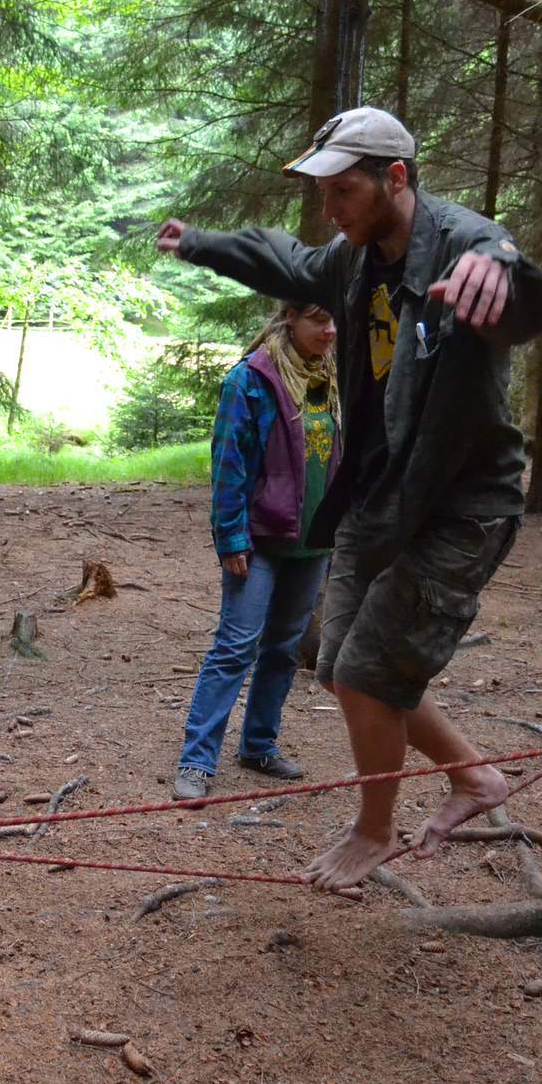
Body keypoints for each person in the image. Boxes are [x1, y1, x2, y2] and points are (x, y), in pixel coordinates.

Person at [157, 106, 542, 891]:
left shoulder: (465, 245)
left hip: (460, 506)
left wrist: (505, 266)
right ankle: (474, 777)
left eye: (343, 192)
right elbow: (287, 260)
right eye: (325, 196)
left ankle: (374, 829)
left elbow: (523, 298)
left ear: (395, 177)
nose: (331, 212)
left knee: (372, 670)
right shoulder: (353, 260)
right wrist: (200, 244)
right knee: (341, 664)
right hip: (378, 497)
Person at [173, 301, 341, 800]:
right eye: (319, 319)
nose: (330, 330)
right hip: (260, 539)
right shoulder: (250, 379)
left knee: (284, 648)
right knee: (235, 646)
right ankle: (197, 762)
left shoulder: (331, 377)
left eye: (335, 320)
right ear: (290, 317)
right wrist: (231, 536)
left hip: (313, 540)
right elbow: (229, 463)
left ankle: (259, 745)